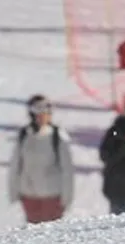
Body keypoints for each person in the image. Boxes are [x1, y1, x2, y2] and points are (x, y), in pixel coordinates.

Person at [7, 95, 76, 224]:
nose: (43, 116)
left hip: (52, 195)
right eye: (39, 112)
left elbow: (67, 169)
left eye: (46, 112)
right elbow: (16, 164)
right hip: (29, 195)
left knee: (51, 233)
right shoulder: (25, 135)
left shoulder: (57, 136)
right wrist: (13, 191)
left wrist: (67, 198)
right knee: (34, 234)